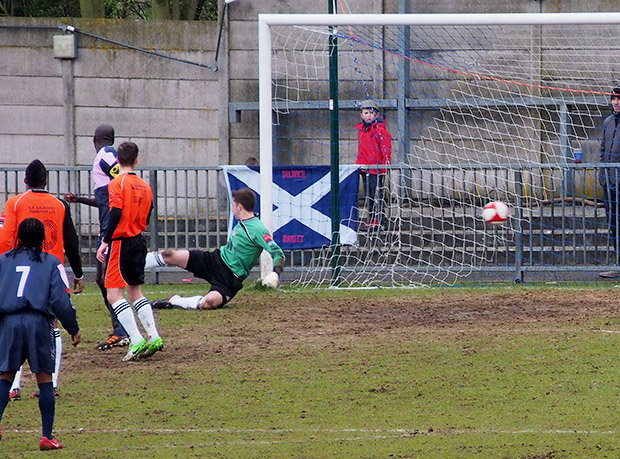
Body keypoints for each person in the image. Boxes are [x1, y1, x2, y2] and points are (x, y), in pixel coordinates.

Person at [0, 159, 83, 400]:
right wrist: (77, 273)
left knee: (10, 326)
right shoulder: (59, 205)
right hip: (49, 270)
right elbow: (71, 241)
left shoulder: (15, 202)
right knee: (52, 324)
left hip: (18, 270)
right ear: (46, 181)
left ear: (26, 181)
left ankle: (14, 385)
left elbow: (6, 238)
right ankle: (52, 382)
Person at [0, 218, 81, 451]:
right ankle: (47, 436)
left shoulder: (3, 261)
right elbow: (60, 300)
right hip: (38, 322)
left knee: (4, 376)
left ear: (18, 237)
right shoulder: (50, 262)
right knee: (44, 377)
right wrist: (72, 327)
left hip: (9, 322)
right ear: (43, 240)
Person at [147, 187, 285, 310]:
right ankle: (129, 267)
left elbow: (278, 253)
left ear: (240, 207)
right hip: (214, 260)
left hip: (230, 278)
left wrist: (275, 274)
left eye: (233, 205)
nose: (232, 209)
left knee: (209, 302)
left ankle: (175, 301)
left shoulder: (258, 229)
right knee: (169, 255)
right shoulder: (242, 222)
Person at [96, 141, 163, 362]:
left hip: (121, 241)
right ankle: (153, 336)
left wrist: (106, 241)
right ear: (136, 160)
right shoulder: (145, 186)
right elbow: (149, 211)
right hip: (138, 240)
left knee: (114, 294)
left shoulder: (117, 183)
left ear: (117, 161)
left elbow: (115, 212)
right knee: (136, 291)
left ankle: (135, 340)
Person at [64, 124, 129, 350]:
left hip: (112, 227)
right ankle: (121, 327)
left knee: (107, 279)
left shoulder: (106, 155)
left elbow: (121, 180)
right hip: (110, 225)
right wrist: (80, 199)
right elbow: (106, 198)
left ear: (95, 140)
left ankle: (122, 329)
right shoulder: (106, 159)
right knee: (106, 279)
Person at [355, 99, 392, 231]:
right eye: (366, 112)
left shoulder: (379, 130)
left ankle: (378, 219)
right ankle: (372, 219)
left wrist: (384, 166)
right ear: (361, 115)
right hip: (365, 168)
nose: (369, 115)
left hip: (376, 169)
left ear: (377, 115)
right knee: (368, 195)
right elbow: (363, 150)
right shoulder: (362, 130)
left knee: (376, 195)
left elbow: (385, 148)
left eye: (372, 113)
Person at [599, 88, 620, 278]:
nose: (616, 102)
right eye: (614, 98)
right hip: (609, 182)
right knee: (613, 223)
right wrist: (603, 177)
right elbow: (603, 150)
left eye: (619, 99)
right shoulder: (607, 122)